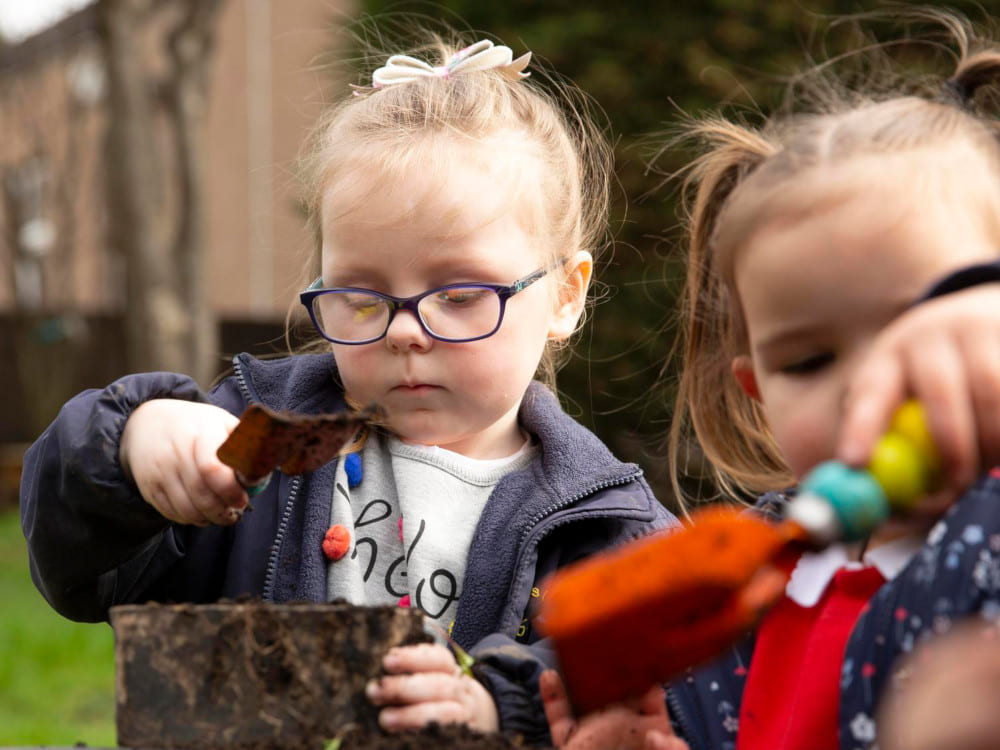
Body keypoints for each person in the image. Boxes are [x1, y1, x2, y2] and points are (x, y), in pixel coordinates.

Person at [18, 30, 676, 744]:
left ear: (565, 296)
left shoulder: (611, 532)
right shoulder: (252, 435)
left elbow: (650, 698)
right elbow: (74, 570)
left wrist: (495, 707)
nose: (404, 331)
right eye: (362, 297)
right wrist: (128, 447)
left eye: (458, 293)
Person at [541, 9, 1000, 750]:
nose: (866, 384)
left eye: (918, 328)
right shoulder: (754, 577)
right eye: (810, 362)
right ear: (758, 390)